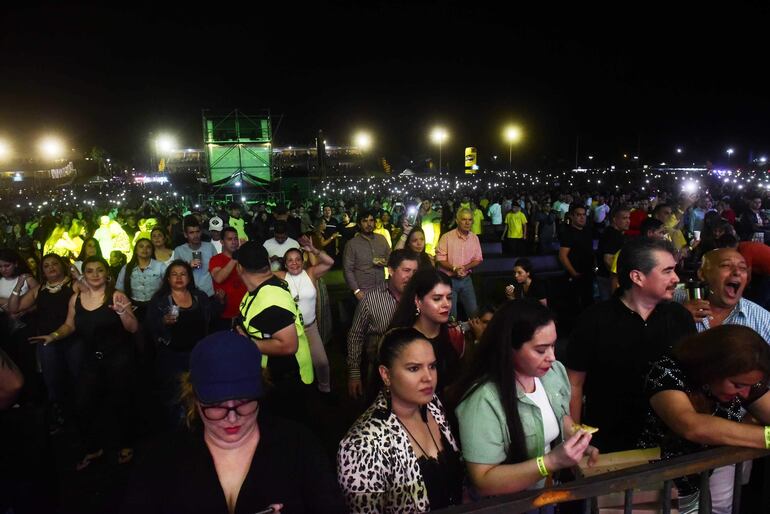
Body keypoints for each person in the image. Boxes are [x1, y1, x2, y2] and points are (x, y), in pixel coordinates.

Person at [121, 330, 345, 514]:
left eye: (244, 402)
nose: (232, 417)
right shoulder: (161, 460)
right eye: (217, 405)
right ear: (194, 399)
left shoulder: (299, 446)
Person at [452, 300, 598, 501]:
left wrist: (577, 441)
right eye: (540, 350)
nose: (552, 357)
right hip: (508, 504)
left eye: (553, 345)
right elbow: (483, 481)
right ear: (509, 348)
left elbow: (558, 415)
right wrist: (550, 462)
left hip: (546, 493)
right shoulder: (483, 401)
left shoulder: (552, 373)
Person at [566, 238, 696, 452]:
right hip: (607, 445)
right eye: (667, 271)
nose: (676, 278)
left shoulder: (680, 317)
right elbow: (574, 384)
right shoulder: (594, 320)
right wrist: (575, 439)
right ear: (637, 277)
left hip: (668, 442)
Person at [639, 325, 770, 513]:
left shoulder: (742, 380)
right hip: (652, 489)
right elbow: (690, 425)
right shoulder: (667, 370)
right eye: (738, 385)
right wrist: (767, 437)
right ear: (713, 369)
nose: (745, 393)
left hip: (697, 488)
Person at [29, 256, 139, 469]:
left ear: (107, 273)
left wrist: (123, 313)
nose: (95, 275)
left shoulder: (116, 295)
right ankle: (94, 448)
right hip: (91, 360)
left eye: (99, 270)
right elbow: (69, 325)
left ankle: (125, 444)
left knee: (121, 403)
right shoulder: (76, 298)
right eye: (90, 271)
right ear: (84, 274)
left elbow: (133, 329)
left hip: (117, 359)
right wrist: (53, 336)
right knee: (84, 403)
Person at [338, 327, 463, 513]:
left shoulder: (433, 404)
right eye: (414, 368)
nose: (428, 378)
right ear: (386, 374)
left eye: (432, 366)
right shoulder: (362, 444)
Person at [235, 241, 314, 421]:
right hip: (275, 377)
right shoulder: (260, 289)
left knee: (289, 430)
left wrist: (248, 344)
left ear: (239, 268)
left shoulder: (270, 300)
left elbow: (289, 345)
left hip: (288, 382)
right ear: (268, 264)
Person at [8, 253, 81, 434]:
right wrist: (19, 284)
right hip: (47, 341)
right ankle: (61, 417)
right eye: (46, 265)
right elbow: (13, 307)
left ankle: (81, 416)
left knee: (78, 378)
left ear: (62, 266)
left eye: (54, 264)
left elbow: (92, 293)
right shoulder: (38, 289)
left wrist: (78, 275)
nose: (51, 267)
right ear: (42, 271)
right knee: (53, 381)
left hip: (73, 338)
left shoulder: (73, 285)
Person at [146, 260, 215, 424]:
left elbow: (210, 319)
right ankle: (178, 432)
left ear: (189, 278)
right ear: (168, 279)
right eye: (174, 274)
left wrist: (220, 301)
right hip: (172, 356)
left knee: (200, 393)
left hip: (197, 354)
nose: (178, 278)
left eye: (183, 274)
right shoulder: (160, 300)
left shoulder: (200, 297)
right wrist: (162, 321)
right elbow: (149, 326)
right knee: (175, 397)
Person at [347, 249, 419, 398]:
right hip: (380, 372)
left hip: (415, 371)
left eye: (414, 271)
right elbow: (356, 335)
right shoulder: (370, 300)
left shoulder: (421, 299)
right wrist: (354, 373)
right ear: (391, 270)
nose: (411, 277)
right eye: (406, 270)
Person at [388, 268, 463, 396]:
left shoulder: (453, 335)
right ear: (418, 301)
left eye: (449, 297)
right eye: (437, 298)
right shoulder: (403, 342)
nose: (446, 304)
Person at [275, 236, 334, 393]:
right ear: (285, 264)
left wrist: (313, 250)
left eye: (297, 259)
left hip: (310, 328)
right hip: (291, 330)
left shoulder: (311, 273)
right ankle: (301, 392)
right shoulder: (280, 276)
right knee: (295, 365)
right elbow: (259, 274)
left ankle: (325, 389)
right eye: (290, 260)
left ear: (302, 261)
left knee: (322, 362)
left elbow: (330, 262)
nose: (294, 263)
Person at [675, 248, 770, 342]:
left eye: (742, 268)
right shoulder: (673, 300)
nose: (737, 272)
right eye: (726, 265)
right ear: (702, 274)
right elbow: (662, 355)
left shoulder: (764, 321)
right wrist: (675, 319)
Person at [436, 207, 483, 320]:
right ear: (457, 221)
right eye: (464, 219)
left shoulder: (474, 238)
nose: (467, 222)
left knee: (474, 313)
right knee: (451, 316)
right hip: (449, 280)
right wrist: (455, 268)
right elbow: (440, 258)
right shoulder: (446, 237)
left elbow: (478, 259)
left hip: (466, 280)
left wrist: (465, 268)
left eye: (470, 220)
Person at [343, 210, 391, 301]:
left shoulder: (381, 239)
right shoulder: (352, 244)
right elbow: (347, 269)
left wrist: (384, 262)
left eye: (371, 220)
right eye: (365, 221)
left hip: (381, 289)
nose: (369, 224)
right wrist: (356, 291)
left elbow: (391, 259)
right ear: (359, 224)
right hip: (363, 291)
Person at [116, 238, 166, 320]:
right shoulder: (127, 268)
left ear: (152, 250)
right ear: (135, 250)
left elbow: (168, 286)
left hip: (156, 306)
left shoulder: (160, 266)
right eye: (141, 246)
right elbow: (119, 290)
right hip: (134, 308)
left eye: (148, 247)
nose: (144, 249)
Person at [558, 203, 595, 315]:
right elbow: (562, 256)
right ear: (572, 216)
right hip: (575, 276)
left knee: (588, 303)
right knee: (574, 306)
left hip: (588, 274)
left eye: (584, 214)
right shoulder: (568, 233)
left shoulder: (587, 231)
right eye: (578, 215)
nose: (582, 217)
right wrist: (573, 273)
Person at [208, 227, 247, 331]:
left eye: (235, 239)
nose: (234, 242)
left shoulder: (244, 258)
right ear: (221, 242)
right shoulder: (216, 259)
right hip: (224, 314)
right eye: (230, 239)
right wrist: (235, 259)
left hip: (245, 312)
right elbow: (219, 278)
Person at [173, 215, 217, 297]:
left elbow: (217, 269)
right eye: (191, 233)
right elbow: (176, 274)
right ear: (186, 235)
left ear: (201, 232)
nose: (195, 235)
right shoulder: (179, 250)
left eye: (197, 232)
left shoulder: (209, 247)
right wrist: (188, 266)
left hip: (209, 293)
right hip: (189, 294)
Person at [596, 206, 630, 300]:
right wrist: (621, 276)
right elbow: (608, 259)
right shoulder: (612, 235)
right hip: (608, 279)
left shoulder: (615, 233)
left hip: (608, 278)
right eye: (624, 218)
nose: (628, 221)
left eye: (628, 218)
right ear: (614, 219)